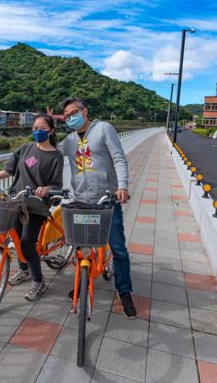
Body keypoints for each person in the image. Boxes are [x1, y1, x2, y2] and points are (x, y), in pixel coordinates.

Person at [57, 97, 137, 318]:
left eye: (73, 112)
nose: (70, 117)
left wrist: (122, 186)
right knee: (83, 247)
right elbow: (50, 150)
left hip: (106, 199)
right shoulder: (70, 140)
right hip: (81, 200)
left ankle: (125, 291)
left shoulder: (103, 129)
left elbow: (119, 158)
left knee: (118, 248)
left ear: (85, 111)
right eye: (66, 115)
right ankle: (83, 283)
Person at [0, 114, 64, 301]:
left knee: (27, 242)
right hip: (16, 200)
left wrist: (47, 188)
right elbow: (9, 170)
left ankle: (38, 281)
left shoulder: (56, 157)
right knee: (16, 239)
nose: (37, 131)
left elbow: (57, 184)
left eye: (42, 128)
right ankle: (24, 269)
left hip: (36, 205)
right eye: (35, 127)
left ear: (51, 131)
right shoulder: (25, 148)